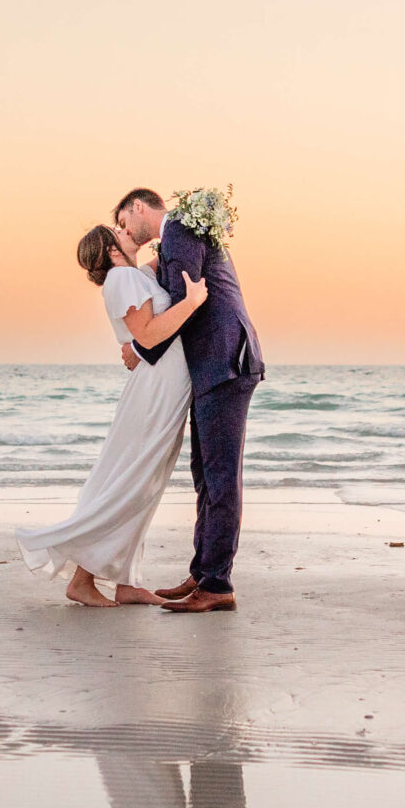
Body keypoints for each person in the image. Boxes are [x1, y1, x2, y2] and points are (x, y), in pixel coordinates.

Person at [14, 221, 208, 605]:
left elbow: (160, 263)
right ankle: (83, 579)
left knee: (146, 482)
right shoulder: (121, 278)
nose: (125, 230)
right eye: (118, 231)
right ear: (112, 250)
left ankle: (126, 581)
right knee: (133, 481)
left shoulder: (133, 276)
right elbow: (148, 335)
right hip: (155, 389)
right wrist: (192, 303)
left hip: (164, 385)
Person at [111, 187, 264, 613]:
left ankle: (217, 584)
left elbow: (186, 302)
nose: (126, 231)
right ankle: (203, 572)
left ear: (138, 207)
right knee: (205, 473)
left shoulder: (178, 229)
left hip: (225, 362)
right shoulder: (181, 232)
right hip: (217, 364)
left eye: (125, 222)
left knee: (219, 477)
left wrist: (141, 349)